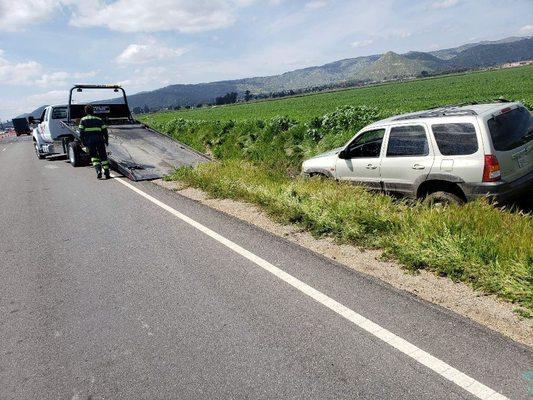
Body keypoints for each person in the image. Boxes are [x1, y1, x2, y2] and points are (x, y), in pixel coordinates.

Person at [79, 105, 110, 179]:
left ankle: (98, 170)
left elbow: (81, 133)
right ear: (93, 111)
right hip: (99, 140)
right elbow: (105, 131)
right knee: (103, 156)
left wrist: (83, 142)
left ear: (86, 111)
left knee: (94, 156)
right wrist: (106, 140)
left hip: (89, 141)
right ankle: (107, 173)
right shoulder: (99, 119)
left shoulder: (83, 120)